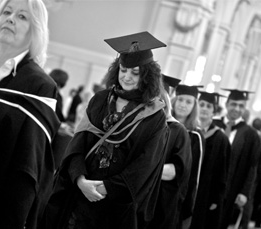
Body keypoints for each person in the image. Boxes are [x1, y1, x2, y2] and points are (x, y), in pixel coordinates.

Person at [53, 31, 169, 229]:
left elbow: (145, 164)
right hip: (80, 198)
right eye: (124, 70)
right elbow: (78, 144)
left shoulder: (154, 115)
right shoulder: (100, 99)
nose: (127, 77)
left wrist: (105, 188)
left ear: (147, 76)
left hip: (116, 207)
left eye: (136, 72)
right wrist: (80, 179)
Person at [0, 0, 61, 228]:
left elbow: (26, 166)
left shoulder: (39, 86)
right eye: (6, 12)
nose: (10, 18)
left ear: (35, 30)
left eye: (22, 16)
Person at [147, 74, 192, 229]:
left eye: (158, 99)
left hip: (161, 204)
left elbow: (176, 171)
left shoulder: (178, 130)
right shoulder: (143, 127)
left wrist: (142, 169)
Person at [213, 89, 261, 229]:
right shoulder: (213, 124)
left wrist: (245, 193)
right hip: (207, 184)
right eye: (233, 104)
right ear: (227, 104)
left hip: (231, 189)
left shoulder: (251, 135)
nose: (237, 109)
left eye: (241, 106)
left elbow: (253, 167)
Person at [189, 91, 231, 229]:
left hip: (205, 193)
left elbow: (222, 171)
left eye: (209, 106)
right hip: (186, 189)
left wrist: (216, 198)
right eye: (202, 104)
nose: (205, 108)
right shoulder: (189, 132)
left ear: (214, 111)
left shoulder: (221, 138)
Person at [171, 84, 205, 229]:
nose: (183, 105)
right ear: (173, 101)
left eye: (188, 102)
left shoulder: (196, 135)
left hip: (176, 196)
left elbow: (194, 174)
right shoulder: (161, 125)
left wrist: (187, 203)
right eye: (180, 100)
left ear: (194, 106)